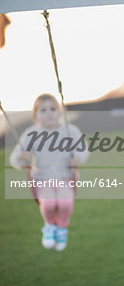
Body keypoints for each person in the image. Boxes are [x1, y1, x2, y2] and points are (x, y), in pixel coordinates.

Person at [10, 93, 89, 250]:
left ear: (60, 112)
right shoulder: (31, 133)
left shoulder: (70, 130)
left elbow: (83, 150)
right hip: (42, 179)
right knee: (49, 204)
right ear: (35, 115)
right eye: (43, 110)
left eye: (53, 109)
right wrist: (21, 157)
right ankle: (49, 226)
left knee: (65, 204)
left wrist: (78, 158)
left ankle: (61, 227)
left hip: (65, 177)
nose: (48, 113)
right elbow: (15, 160)